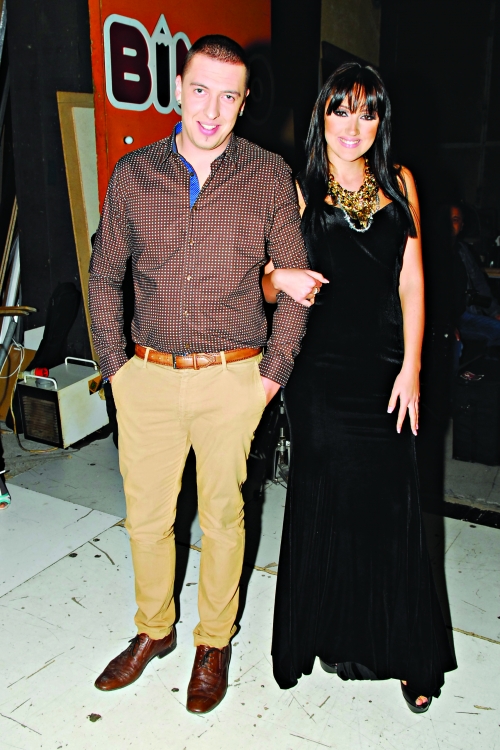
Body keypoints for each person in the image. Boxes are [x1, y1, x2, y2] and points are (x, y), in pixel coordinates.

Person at [88, 34, 312, 714]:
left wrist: (270, 377)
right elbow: (104, 277)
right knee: (146, 519)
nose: (211, 110)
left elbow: (296, 284)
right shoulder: (134, 174)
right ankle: (154, 629)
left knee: (222, 517)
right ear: (179, 91)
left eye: (228, 96)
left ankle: (213, 642)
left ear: (244, 104)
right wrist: (117, 372)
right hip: (147, 375)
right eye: (201, 90)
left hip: (232, 378)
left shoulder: (269, 176)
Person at [263, 63, 456, 713]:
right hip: (320, 375)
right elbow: (269, 280)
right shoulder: (298, 188)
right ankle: (314, 634)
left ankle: (407, 651)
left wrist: (413, 366)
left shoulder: (401, 183)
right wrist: (278, 283)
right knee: (324, 502)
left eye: (367, 112)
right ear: (321, 115)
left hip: (386, 368)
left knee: (393, 505)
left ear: (381, 121)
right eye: (341, 110)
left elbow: (412, 281)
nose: (354, 125)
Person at [451, 204, 500, 347]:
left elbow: (479, 284)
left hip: (464, 316)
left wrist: (495, 312)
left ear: (462, 225)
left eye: (455, 219)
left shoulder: (463, 251)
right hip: (439, 322)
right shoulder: (426, 252)